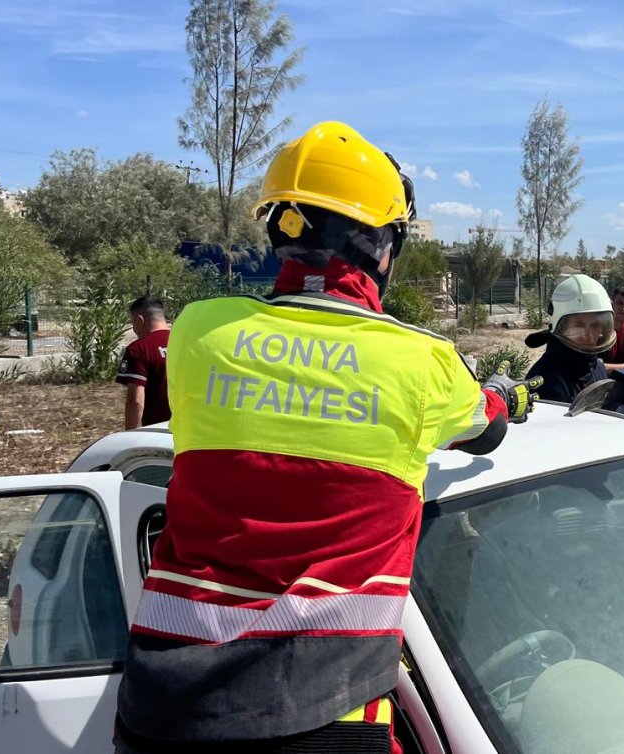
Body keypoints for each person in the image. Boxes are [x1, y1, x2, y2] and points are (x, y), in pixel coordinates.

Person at [114, 122, 540, 754]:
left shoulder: (200, 333)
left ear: (279, 229)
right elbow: (487, 430)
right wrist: (509, 394)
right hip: (325, 709)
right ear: (383, 248)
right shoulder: (422, 362)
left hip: (165, 706)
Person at [525, 273, 613, 402]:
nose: (587, 334)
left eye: (595, 325)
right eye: (579, 325)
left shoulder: (596, 366)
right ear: (561, 327)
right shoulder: (546, 380)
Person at [116, 295, 172, 429]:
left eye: (132, 323)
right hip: (190, 429)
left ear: (139, 320)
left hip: (158, 430)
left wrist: (130, 435)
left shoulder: (139, 349)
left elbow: (135, 402)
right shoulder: (186, 342)